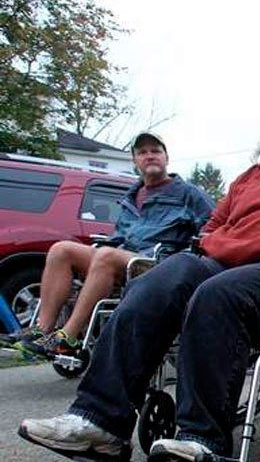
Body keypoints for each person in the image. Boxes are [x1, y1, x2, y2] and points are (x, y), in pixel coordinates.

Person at [17, 84, 260, 462]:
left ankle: (202, 438)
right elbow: (213, 227)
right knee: (157, 280)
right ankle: (100, 422)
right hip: (228, 263)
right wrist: (205, 250)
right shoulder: (249, 179)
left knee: (217, 292)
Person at [3, 133, 213, 359]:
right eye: (142, 153)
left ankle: (67, 338)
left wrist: (189, 257)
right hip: (123, 259)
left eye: (155, 151)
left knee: (105, 256)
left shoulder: (189, 194)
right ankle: (42, 330)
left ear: (166, 157)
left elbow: (213, 228)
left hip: (160, 264)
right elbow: (120, 236)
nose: (149, 156)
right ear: (135, 161)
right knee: (61, 249)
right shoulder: (131, 197)